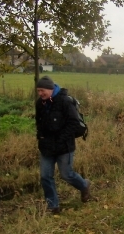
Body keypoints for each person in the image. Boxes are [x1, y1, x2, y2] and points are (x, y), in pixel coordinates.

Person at [35, 76, 91, 214]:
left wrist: (61, 139)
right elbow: (38, 122)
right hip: (46, 146)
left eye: (42, 90)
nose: (40, 93)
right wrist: (41, 137)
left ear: (50, 89)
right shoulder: (39, 103)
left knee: (67, 175)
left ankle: (84, 186)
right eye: (38, 91)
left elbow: (73, 123)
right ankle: (53, 206)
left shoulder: (65, 101)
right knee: (45, 176)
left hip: (64, 146)